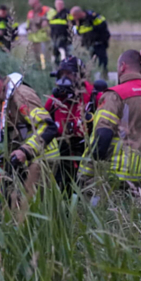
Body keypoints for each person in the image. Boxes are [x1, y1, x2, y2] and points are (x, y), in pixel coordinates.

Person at [0, 66, 59, 207]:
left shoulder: (21, 96)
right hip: (27, 160)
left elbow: (47, 127)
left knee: (27, 207)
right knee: (14, 202)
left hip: (42, 158)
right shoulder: (3, 101)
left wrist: (24, 151)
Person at [82, 49, 141, 188]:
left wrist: (86, 174)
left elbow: (102, 136)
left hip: (116, 173)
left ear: (122, 66)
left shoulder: (115, 95)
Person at [45, 55, 106, 191]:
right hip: (62, 157)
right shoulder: (55, 100)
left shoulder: (93, 97)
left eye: (69, 74)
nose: (64, 79)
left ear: (80, 76)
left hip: (88, 157)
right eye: (62, 74)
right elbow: (41, 122)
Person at [70, 6, 111, 79]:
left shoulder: (92, 16)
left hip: (99, 43)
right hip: (87, 45)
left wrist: (93, 30)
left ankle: (104, 77)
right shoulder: (77, 22)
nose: (73, 18)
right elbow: (77, 32)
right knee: (89, 62)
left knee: (102, 61)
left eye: (74, 16)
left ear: (79, 14)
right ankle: (90, 78)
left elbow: (103, 24)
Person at [25, 0, 55, 68]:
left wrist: (44, 19)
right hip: (34, 40)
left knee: (46, 58)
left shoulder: (47, 10)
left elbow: (50, 18)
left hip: (44, 39)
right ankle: (40, 71)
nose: (28, 2)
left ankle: (47, 70)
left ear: (35, 1)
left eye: (30, 0)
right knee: (37, 59)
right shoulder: (30, 13)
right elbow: (28, 25)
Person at [49, 0, 72, 66]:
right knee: (54, 55)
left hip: (64, 38)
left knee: (64, 54)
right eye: (58, 4)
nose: (59, 6)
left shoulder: (67, 13)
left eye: (61, 4)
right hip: (54, 38)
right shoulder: (53, 14)